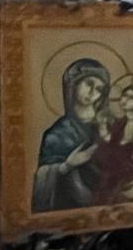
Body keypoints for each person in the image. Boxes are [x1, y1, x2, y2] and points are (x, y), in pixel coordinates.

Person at [32, 57, 113, 213]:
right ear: (73, 84)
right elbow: (42, 184)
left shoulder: (110, 124)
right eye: (89, 84)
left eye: (98, 89)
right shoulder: (55, 135)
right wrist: (67, 166)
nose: (92, 93)